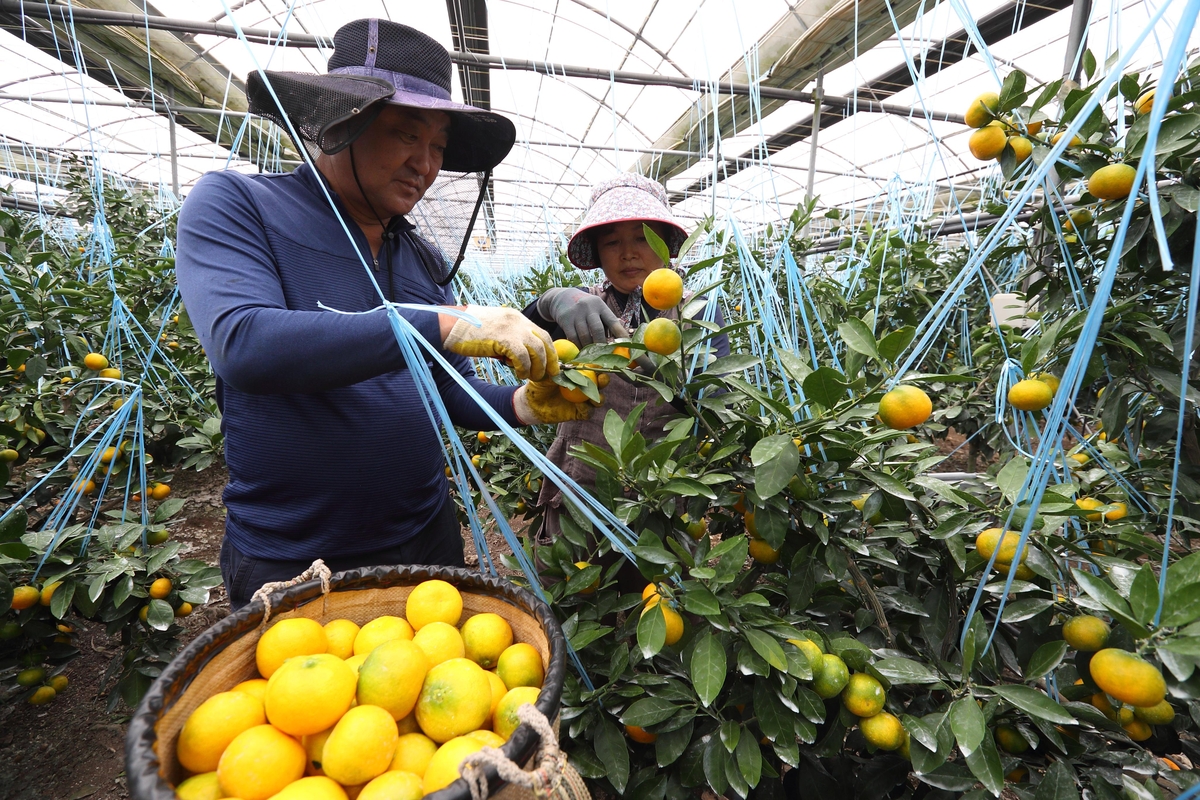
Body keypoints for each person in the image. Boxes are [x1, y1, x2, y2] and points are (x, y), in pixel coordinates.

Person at [175, 19, 587, 609]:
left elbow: (447, 391)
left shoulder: (418, 255)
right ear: (341, 124)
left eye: (439, 146)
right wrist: (443, 323)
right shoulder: (239, 206)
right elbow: (245, 344)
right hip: (294, 560)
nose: (426, 163)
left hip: (425, 542)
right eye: (404, 133)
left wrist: (520, 404)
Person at [523, 174, 730, 590]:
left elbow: (716, 397)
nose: (628, 253)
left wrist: (671, 373)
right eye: (612, 241)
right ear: (597, 252)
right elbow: (524, 343)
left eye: (641, 237)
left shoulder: (695, 310)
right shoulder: (584, 305)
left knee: (658, 598)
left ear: (664, 245)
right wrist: (548, 303)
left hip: (663, 491)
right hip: (581, 482)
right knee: (569, 595)